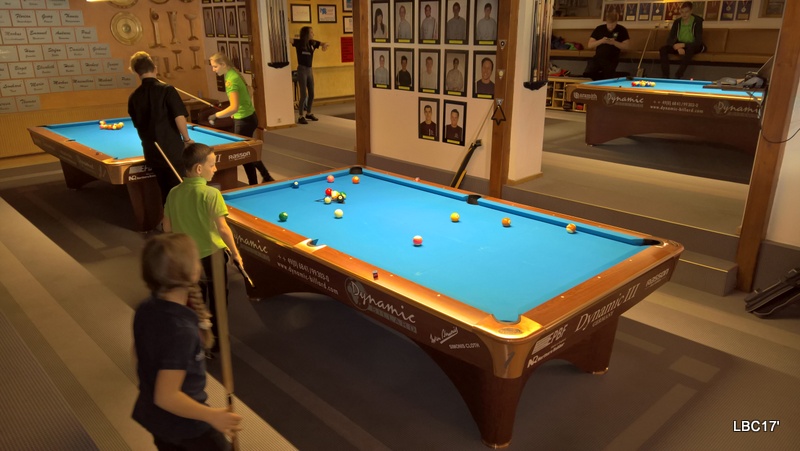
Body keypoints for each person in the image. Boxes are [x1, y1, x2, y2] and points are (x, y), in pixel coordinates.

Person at [132, 233, 242, 450]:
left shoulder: (147, 307)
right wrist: (212, 416)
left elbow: (138, 353)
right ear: (192, 273)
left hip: (157, 418)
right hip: (184, 425)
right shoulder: (181, 330)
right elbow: (166, 396)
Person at [163, 143, 245, 348]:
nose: (215, 169)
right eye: (212, 165)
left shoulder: (173, 193)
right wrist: (236, 253)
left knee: (195, 299)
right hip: (212, 255)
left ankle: (199, 338)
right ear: (199, 169)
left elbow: (167, 228)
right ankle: (218, 340)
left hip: (187, 256)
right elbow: (223, 229)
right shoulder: (211, 194)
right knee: (218, 299)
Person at [128, 51, 192, 206]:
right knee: (180, 190)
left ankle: (167, 218)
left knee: (165, 191)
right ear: (155, 68)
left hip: (151, 150)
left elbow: (137, 124)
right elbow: (179, 117)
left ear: (137, 73)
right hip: (172, 150)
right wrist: (187, 139)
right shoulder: (167, 89)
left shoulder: (134, 97)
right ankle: (180, 218)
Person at [208, 52, 273, 185]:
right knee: (248, 152)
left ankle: (255, 183)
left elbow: (233, 107)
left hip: (244, 121)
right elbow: (244, 98)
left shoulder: (231, 80)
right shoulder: (232, 73)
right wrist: (235, 111)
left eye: (215, 66)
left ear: (223, 64)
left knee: (244, 155)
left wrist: (215, 116)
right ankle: (264, 177)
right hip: (249, 117)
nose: (213, 70)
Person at [292, 26, 328, 124]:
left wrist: (324, 45)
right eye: (311, 32)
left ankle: (308, 113)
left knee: (312, 93)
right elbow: (289, 39)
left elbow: (324, 43)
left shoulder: (312, 43)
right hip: (302, 69)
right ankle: (300, 116)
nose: (313, 34)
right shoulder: (299, 42)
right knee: (304, 94)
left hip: (309, 70)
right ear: (306, 34)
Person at [659, 1, 704, 79]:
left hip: (692, 45)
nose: (684, 14)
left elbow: (698, 41)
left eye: (686, 12)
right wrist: (677, 47)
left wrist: (684, 45)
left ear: (691, 11)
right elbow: (670, 38)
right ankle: (665, 75)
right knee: (663, 49)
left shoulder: (697, 21)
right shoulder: (677, 22)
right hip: (679, 44)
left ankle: (678, 75)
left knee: (690, 49)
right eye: (682, 12)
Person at [582, 11, 630, 81]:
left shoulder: (622, 30)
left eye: (613, 25)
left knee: (607, 76)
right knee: (587, 74)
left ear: (616, 22)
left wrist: (614, 42)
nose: (611, 27)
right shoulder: (599, 29)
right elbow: (590, 45)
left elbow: (626, 46)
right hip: (598, 57)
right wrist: (601, 41)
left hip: (612, 59)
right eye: (609, 24)